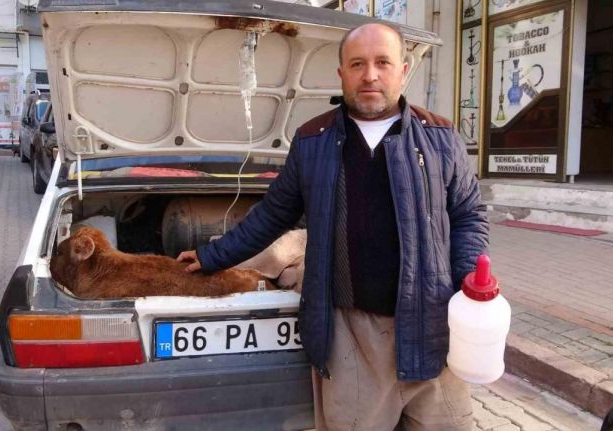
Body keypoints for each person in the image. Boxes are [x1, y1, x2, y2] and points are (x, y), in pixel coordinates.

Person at [178, 22, 488, 430]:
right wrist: (211, 255)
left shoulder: (441, 138)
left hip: (433, 327)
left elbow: (468, 214)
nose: (370, 75)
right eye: (357, 64)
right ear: (341, 73)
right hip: (351, 336)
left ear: (404, 70)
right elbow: (273, 215)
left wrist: (469, 281)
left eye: (382, 62)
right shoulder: (313, 142)